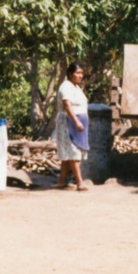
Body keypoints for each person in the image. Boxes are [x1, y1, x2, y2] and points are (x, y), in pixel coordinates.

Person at [54, 62, 89, 191]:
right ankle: (80, 182)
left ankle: (61, 181)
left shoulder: (75, 87)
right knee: (73, 152)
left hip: (76, 122)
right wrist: (76, 122)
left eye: (82, 73)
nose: (80, 76)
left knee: (69, 153)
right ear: (70, 73)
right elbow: (67, 106)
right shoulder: (66, 87)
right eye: (77, 73)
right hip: (69, 123)